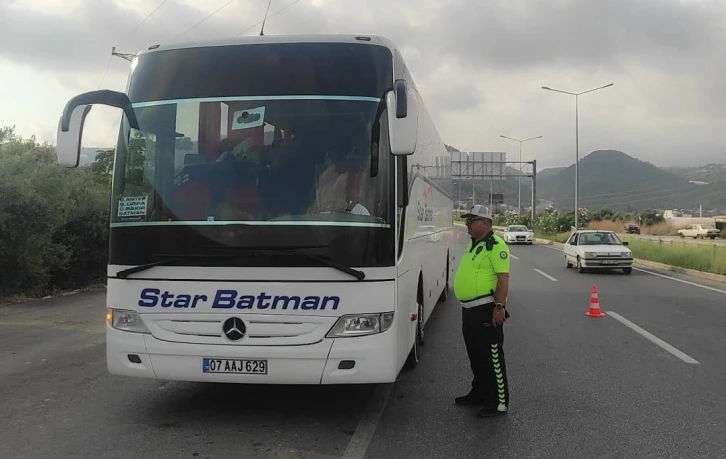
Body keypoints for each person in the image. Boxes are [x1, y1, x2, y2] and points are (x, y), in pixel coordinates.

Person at [453, 205, 511, 418]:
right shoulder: (474, 244)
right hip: (469, 311)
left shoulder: (496, 246)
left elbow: (503, 280)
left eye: (471, 221)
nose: (467, 224)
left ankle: (498, 403)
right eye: (467, 221)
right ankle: (478, 394)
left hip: (486, 309)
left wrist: (499, 307)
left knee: (492, 358)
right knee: (475, 356)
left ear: (485, 223)